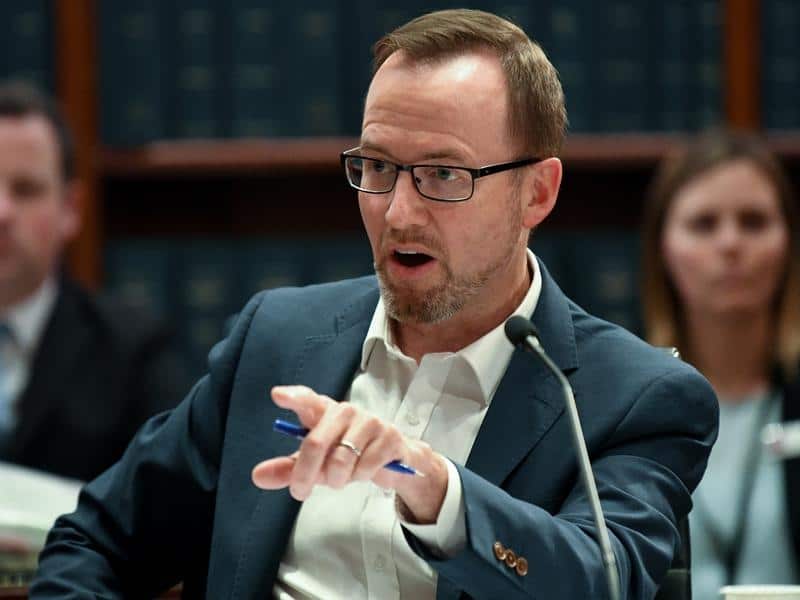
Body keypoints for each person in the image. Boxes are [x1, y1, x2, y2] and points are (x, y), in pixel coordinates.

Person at [31, 9, 717, 599]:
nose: (398, 211)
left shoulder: (634, 398)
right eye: (378, 167)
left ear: (537, 192)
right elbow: (95, 542)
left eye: (443, 174)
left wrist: (439, 493)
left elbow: (606, 579)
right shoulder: (276, 339)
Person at [642, 128, 800, 599]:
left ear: (789, 242)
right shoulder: (617, 404)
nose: (731, 244)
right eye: (704, 224)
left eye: (753, 222)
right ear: (662, 249)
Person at [0, 81, 185, 481]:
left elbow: (166, 498)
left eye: (26, 190)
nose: (3, 212)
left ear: (70, 208)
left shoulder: (132, 349)